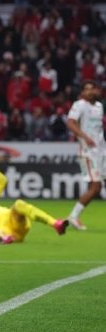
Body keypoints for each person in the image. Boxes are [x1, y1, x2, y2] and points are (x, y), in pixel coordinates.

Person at [65, 80, 104, 230]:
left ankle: (74, 216)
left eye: (92, 89)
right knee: (96, 187)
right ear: (82, 92)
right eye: (86, 89)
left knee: (95, 188)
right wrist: (85, 137)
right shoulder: (79, 105)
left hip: (101, 151)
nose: (90, 92)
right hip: (88, 153)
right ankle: (73, 216)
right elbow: (71, 122)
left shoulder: (99, 106)